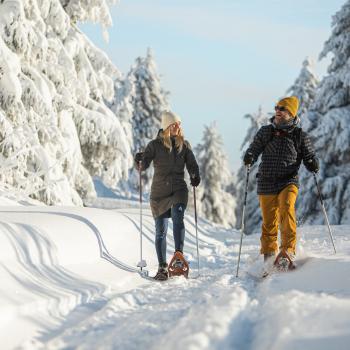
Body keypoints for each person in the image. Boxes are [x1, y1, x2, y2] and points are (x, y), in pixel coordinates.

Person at [243, 96, 319, 268]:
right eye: (277, 107)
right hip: (266, 182)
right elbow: (254, 148)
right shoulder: (266, 132)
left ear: (291, 113)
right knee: (269, 222)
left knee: (286, 207)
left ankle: (287, 252)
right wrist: (249, 156)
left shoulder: (299, 136)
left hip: (288, 181)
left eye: (282, 109)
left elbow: (309, 156)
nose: (278, 111)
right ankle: (269, 257)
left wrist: (313, 163)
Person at [134, 111, 200, 281]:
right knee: (161, 231)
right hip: (159, 193)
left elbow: (192, 164)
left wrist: (194, 175)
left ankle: (178, 258)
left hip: (179, 189)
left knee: (178, 216)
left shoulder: (183, 145)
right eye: (174, 124)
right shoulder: (154, 145)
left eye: (179, 123)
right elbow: (144, 165)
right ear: (166, 126)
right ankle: (162, 267)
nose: (177, 127)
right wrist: (139, 161)